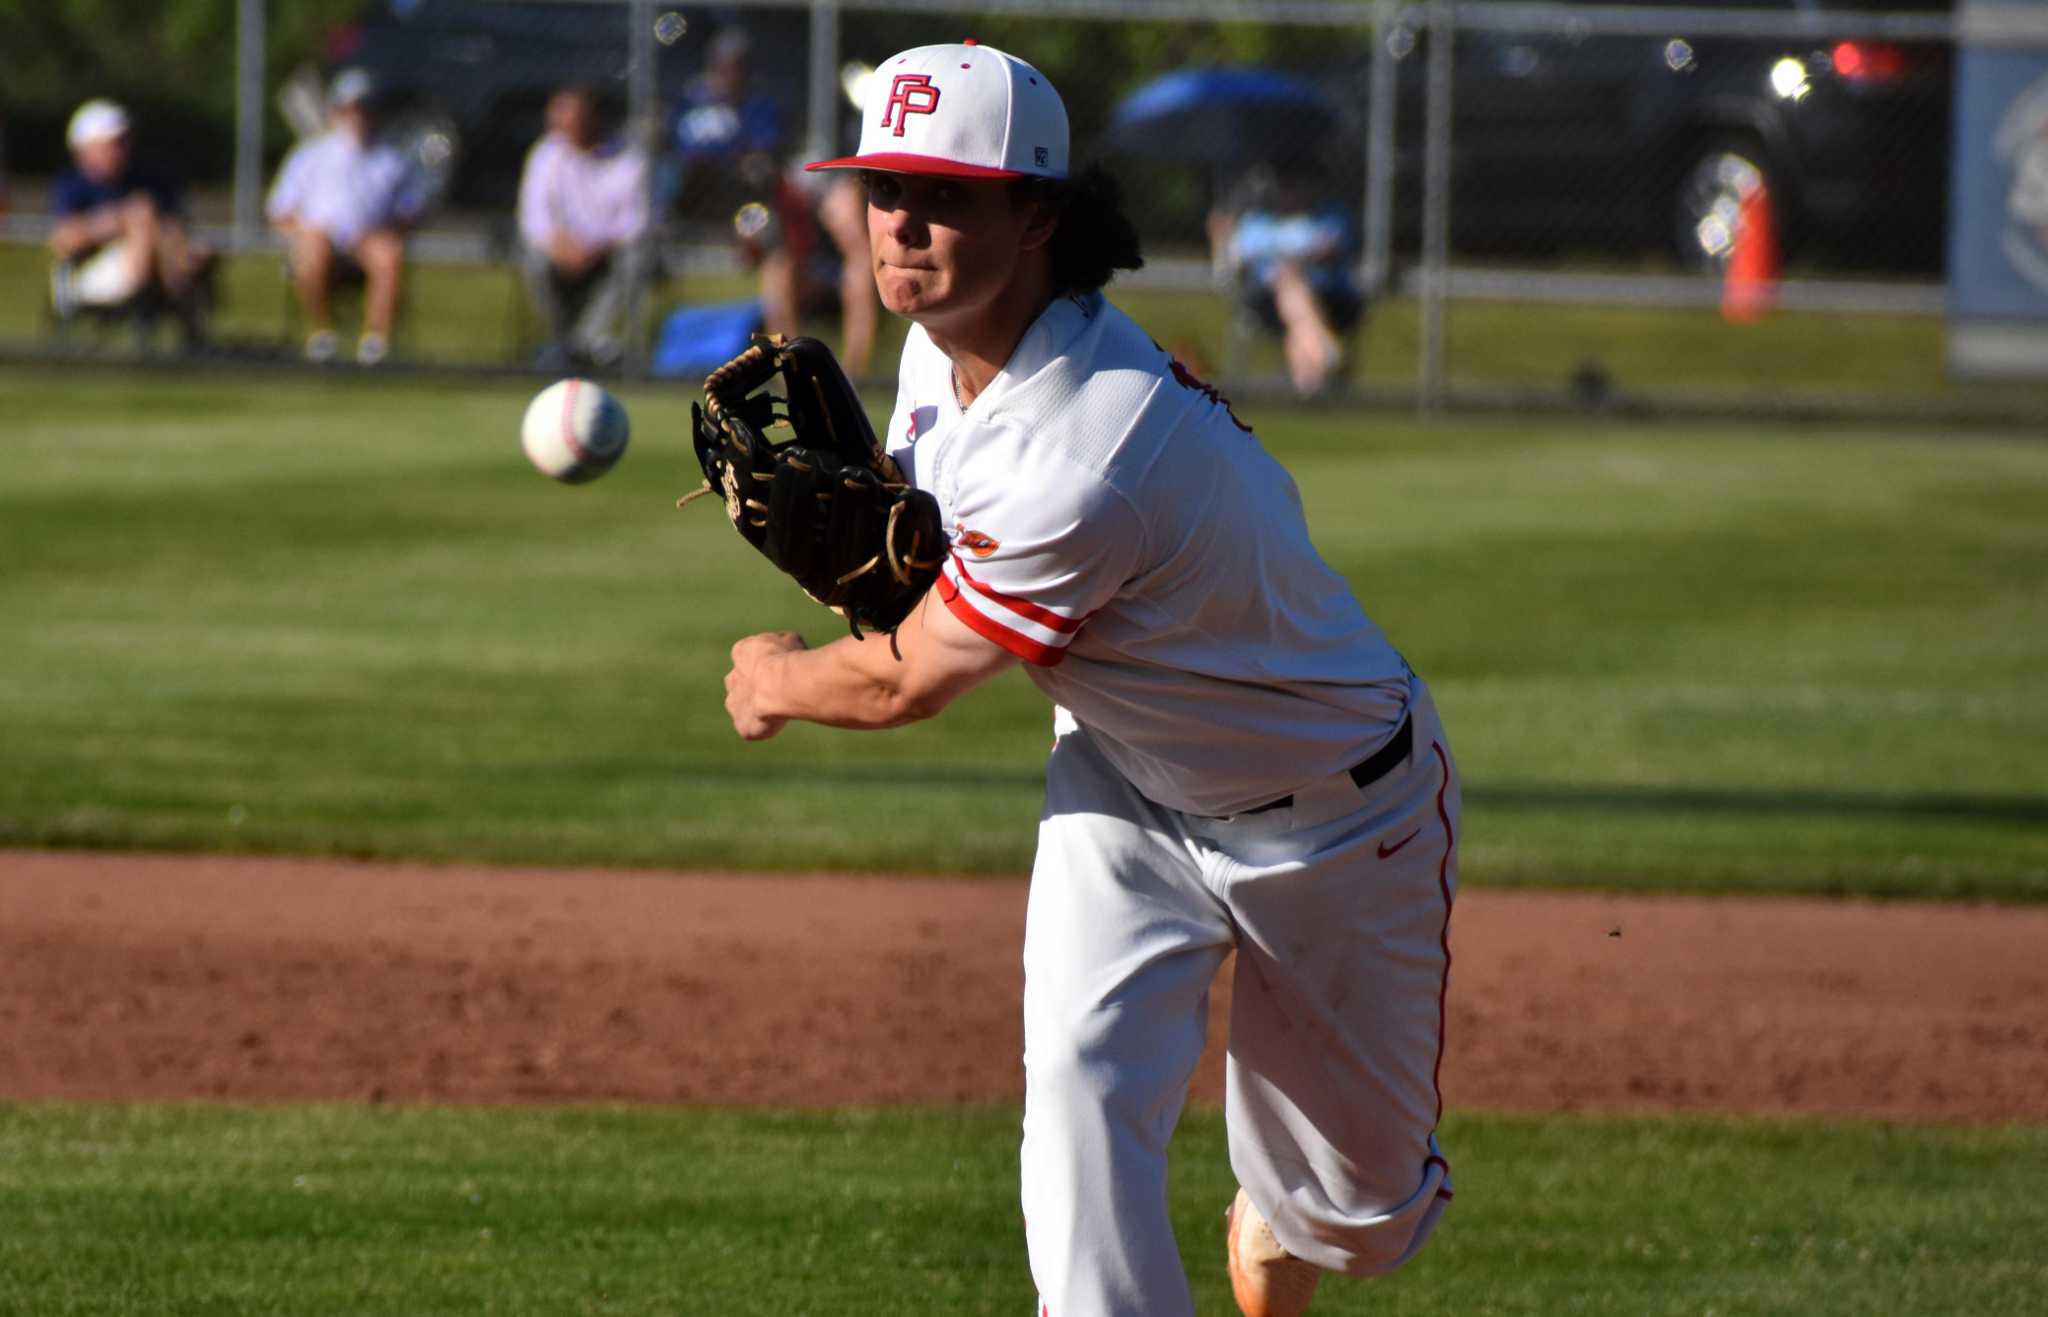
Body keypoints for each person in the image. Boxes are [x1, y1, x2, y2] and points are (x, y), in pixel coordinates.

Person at [721, 42, 1458, 1317]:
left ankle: (1286, 1217)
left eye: (944, 194)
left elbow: (905, 684)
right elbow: (929, 567)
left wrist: (777, 676)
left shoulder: (1087, 445)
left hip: (1336, 816)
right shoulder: (935, 346)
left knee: (1360, 1217)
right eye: (882, 185)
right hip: (1122, 776)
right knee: (1075, 1088)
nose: (899, 220)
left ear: (1037, 215)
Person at [666, 27, 879, 375]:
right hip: (784, 194)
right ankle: (795, 372)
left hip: (825, 184)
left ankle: (857, 368)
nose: (732, 73)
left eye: (738, 65)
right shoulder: (735, 105)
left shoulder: (774, 97)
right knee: (778, 270)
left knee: (859, 253)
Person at [266, 68, 428, 366]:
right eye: (351, 109)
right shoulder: (310, 155)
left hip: (368, 238)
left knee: (389, 255)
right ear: (337, 111)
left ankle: (375, 344)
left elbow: (411, 210)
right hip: (320, 238)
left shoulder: (392, 159)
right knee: (313, 250)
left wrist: (385, 231)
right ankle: (322, 334)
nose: (358, 117)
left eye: (364, 109)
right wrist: (306, 232)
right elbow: (280, 211)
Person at [47, 98, 214, 342]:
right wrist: (117, 221)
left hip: (155, 264)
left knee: (176, 237)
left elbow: (174, 225)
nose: (123, 149)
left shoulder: (145, 179)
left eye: (125, 141)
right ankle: (175, 319)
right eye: (114, 143)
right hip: (94, 276)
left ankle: (181, 321)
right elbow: (63, 243)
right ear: (86, 148)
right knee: (142, 217)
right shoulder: (72, 186)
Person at [517, 86, 651, 371]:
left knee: (636, 259)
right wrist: (558, 244)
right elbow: (535, 216)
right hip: (560, 248)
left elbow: (635, 221)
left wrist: (594, 247)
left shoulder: (627, 158)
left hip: (606, 251)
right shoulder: (547, 154)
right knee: (533, 257)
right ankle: (563, 340)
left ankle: (587, 340)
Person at [1209, 159, 1367, 397]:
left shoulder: (1329, 215)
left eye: (1298, 184)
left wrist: (1286, 259)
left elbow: (1331, 248)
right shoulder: (1258, 222)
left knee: (1294, 305)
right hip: (1267, 300)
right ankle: (1326, 355)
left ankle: (1311, 382)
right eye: (1285, 185)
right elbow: (1237, 258)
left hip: (1330, 296)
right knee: (1288, 285)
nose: (1292, 191)